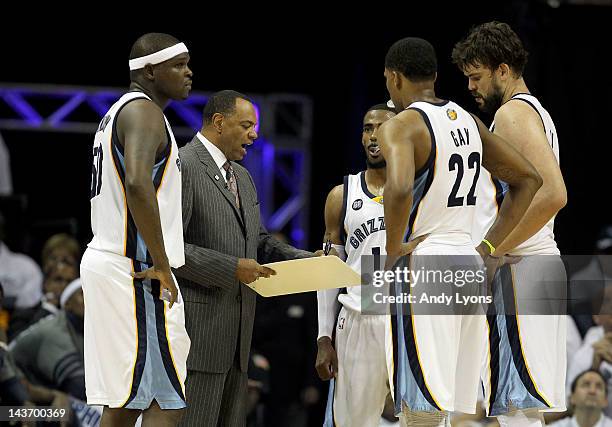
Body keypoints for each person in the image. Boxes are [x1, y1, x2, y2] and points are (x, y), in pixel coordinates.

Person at [379, 37, 542, 426]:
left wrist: (392, 247)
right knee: (460, 407)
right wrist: (487, 246)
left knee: (421, 406)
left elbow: (399, 188)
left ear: (394, 77)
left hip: (425, 262)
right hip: (468, 263)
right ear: (435, 77)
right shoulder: (468, 121)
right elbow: (528, 179)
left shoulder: (400, 126)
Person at [174, 89, 313, 426]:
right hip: (198, 338)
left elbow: (260, 240)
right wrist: (231, 268)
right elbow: (169, 250)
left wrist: (306, 259)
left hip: (239, 342)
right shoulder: (183, 165)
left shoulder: (244, 177)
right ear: (219, 122)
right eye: (247, 125)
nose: (255, 134)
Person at [452, 21, 568, 425]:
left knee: (518, 411)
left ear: (504, 70)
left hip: (523, 267)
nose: (471, 87)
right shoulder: (531, 111)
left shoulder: (513, 113)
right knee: (520, 412)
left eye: (476, 77)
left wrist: (490, 249)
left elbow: (553, 194)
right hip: (533, 268)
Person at [79, 32, 193, 427]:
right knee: (166, 397)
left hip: (117, 265)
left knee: (128, 398)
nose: (188, 72)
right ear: (149, 71)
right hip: (136, 268)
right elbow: (137, 184)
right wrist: (163, 265)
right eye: (178, 65)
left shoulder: (118, 112)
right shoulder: (144, 113)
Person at [315, 102, 401, 427]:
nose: (373, 136)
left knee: (422, 418)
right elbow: (327, 270)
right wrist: (324, 337)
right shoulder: (342, 194)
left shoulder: (421, 192)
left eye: (383, 128)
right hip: (358, 317)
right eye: (368, 128)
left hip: (407, 317)